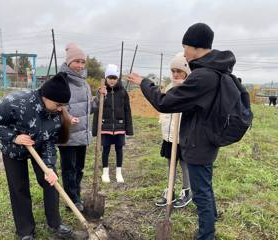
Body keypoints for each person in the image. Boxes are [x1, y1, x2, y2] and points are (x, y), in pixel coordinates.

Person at [127, 22, 237, 240]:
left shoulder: (203, 76)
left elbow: (164, 102)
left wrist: (144, 83)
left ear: (197, 47)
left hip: (198, 141)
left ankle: (206, 235)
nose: (184, 53)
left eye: (186, 47)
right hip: (207, 137)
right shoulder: (216, 70)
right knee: (205, 183)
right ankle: (212, 218)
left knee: (201, 192)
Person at [0, 73, 72, 240]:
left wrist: (50, 167)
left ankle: (55, 223)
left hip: (39, 148)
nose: (61, 109)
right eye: (59, 104)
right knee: (19, 188)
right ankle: (25, 231)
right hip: (13, 150)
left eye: (64, 105)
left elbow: (50, 142)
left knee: (51, 181)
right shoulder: (15, 101)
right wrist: (14, 137)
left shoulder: (56, 114)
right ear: (46, 97)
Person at [58, 43, 106, 212]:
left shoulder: (85, 84)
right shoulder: (61, 81)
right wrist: (66, 116)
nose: (79, 65)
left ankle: (75, 196)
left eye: (82, 62)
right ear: (69, 62)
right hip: (68, 135)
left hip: (82, 135)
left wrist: (99, 98)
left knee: (79, 168)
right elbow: (53, 107)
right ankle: (71, 200)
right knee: (68, 169)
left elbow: (89, 109)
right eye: (76, 61)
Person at [155, 53, 192, 209]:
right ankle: (169, 190)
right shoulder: (170, 87)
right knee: (171, 164)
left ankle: (187, 191)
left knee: (184, 164)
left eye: (179, 71)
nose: (176, 74)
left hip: (183, 136)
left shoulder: (190, 88)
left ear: (186, 72)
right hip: (169, 135)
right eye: (173, 71)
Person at [92, 64, 133, 183]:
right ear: (105, 78)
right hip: (105, 127)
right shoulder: (102, 91)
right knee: (106, 149)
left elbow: (127, 110)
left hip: (119, 126)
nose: (112, 80)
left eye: (114, 78)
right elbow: (96, 111)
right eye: (109, 77)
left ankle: (119, 172)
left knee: (119, 149)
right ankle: (105, 172)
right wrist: (95, 130)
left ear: (118, 78)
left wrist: (129, 129)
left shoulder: (123, 92)